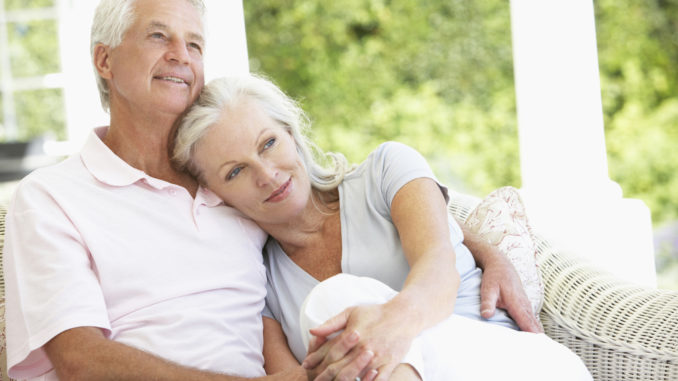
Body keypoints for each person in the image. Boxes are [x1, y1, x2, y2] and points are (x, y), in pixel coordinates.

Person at [2, 0, 539, 380]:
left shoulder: (223, 183)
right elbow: (79, 361)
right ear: (104, 60)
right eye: (158, 35)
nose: (181, 56)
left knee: (342, 304)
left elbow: (337, 192)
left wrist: (482, 247)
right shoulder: (51, 197)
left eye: (194, 44)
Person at [171, 74, 594, 381]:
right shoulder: (254, 282)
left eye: (268, 143)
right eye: (236, 171)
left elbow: (437, 273)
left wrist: (388, 332)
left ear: (291, 132)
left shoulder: (386, 171)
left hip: (517, 366)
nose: (266, 174)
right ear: (214, 194)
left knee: (335, 298)